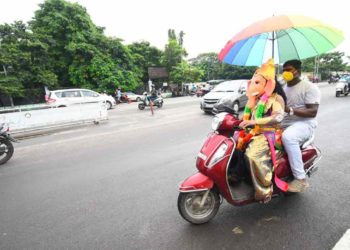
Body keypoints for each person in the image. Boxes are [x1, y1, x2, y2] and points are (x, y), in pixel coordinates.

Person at [238, 59, 286, 203]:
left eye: (257, 83)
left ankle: (265, 190)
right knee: (234, 145)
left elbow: (278, 117)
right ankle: (240, 176)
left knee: (252, 156)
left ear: (269, 84)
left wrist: (255, 122)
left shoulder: (276, 99)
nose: (253, 86)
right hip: (254, 132)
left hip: (269, 134)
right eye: (252, 82)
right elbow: (248, 116)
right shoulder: (256, 99)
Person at [281, 59, 321, 192]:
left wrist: (290, 110)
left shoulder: (309, 87)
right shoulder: (283, 88)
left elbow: (312, 112)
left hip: (304, 123)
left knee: (288, 137)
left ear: (297, 71)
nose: (285, 73)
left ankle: (300, 179)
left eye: (289, 70)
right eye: (284, 70)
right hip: (285, 122)